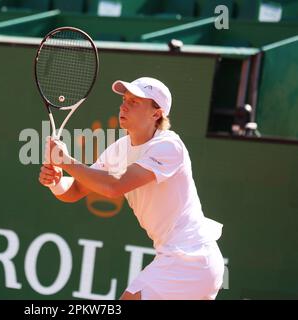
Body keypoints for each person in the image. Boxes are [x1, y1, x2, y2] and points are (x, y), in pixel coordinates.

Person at [39, 77, 224, 300]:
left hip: (191, 258)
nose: (123, 106)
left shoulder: (168, 146)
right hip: (180, 257)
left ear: (156, 114)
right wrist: (56, 182)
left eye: (134, 102)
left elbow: (114, 187)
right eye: (124, 99)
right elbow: (76, 190)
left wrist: (65, 160)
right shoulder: (118, 149)